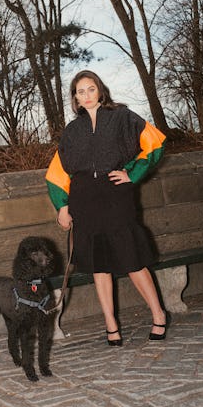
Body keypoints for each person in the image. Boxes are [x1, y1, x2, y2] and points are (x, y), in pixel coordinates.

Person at [46, 70, 168, 345]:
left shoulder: (122, 117)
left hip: (115, 197)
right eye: (80, 91)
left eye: (91, 89)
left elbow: (155, 144)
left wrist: (132, 173)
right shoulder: (72, 131)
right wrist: (62, 206)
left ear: (100, 90)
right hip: (84, 201)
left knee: (133, 260)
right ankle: (111, 325)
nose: (86, 95)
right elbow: (57, 173)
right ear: (75, 98)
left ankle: (159, 315)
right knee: (99, 267)